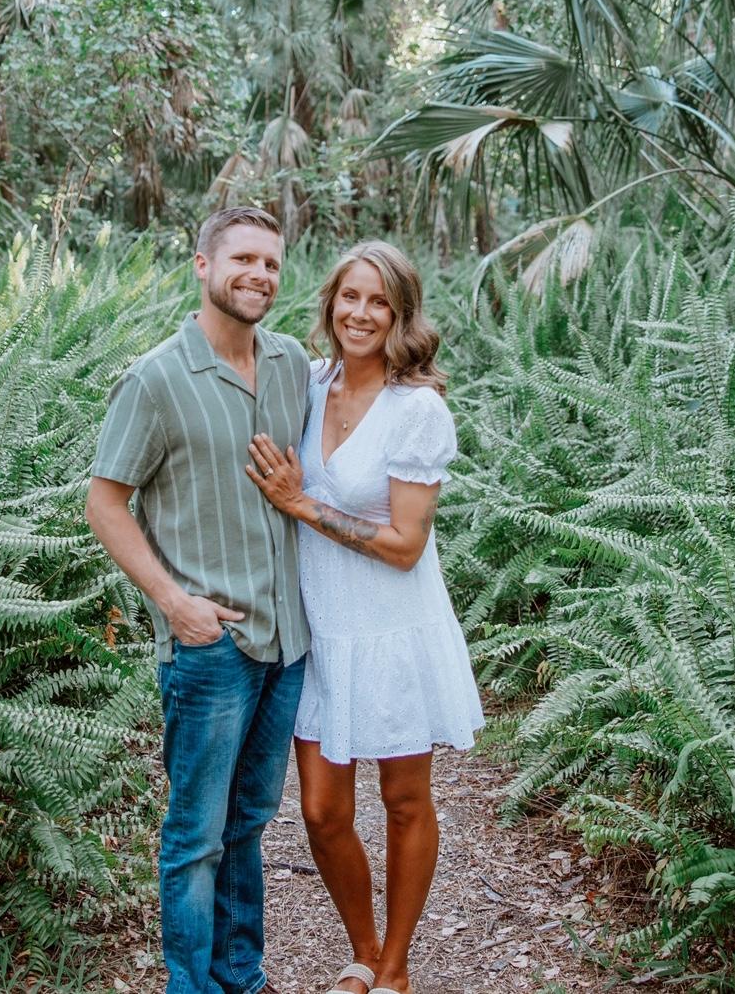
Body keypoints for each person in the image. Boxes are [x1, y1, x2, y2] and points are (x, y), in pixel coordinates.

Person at [245, 240, 484, 994]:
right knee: (319, 810)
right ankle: (362, 948)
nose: (361, 313)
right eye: (350, 296)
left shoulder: (417, 411)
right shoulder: (308, 385)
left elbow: (406, 545)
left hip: (392, 630)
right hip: (322, 631)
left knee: (405, 800)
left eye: (379, 301)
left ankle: (397, 967)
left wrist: (302, 505)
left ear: (401, 315)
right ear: (330, 304)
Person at [85, 207, 310, 994]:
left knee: (248, 825)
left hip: (286, 644)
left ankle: (240, 977)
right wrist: (173, 604)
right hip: (210, 648)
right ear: (202, 266)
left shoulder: (290, 364)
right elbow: (105, 501)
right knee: (194, 837)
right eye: (243, 259)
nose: (259, 275)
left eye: (273, 264)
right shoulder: (156, 378)